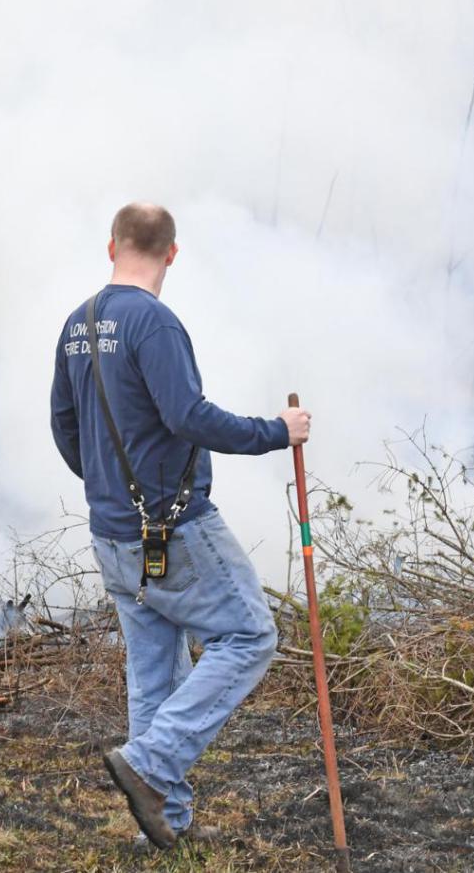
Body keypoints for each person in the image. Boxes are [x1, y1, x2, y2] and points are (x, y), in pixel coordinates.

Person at [50, 202, 311, 849]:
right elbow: (187, 416)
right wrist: (275, 433)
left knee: (154, 673)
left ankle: (162, 825)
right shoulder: (155, 325)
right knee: (250, 636)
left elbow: (64, 424)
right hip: (171, 528)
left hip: (111, 533)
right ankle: (150, 764)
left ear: (111, 245)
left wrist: (108, 491)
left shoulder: (77, 325)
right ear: (172, 254)